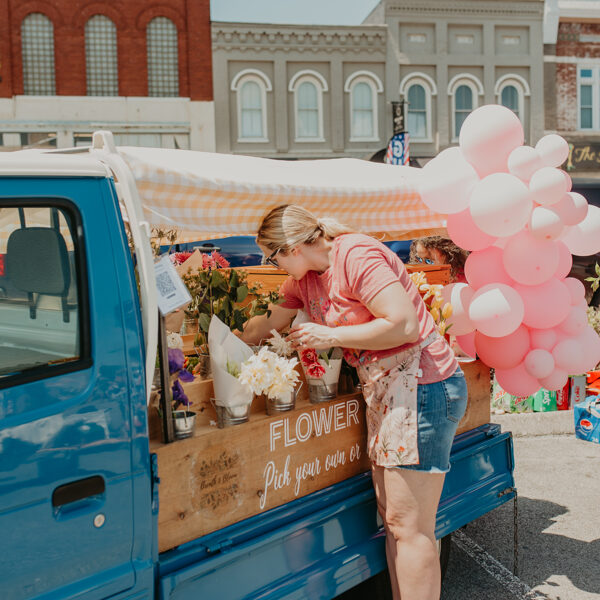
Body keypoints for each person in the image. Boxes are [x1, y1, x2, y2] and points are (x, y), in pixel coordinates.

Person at [242, 204, 467, 600]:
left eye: (272, 257)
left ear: (292, 247)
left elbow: (403, 324)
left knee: (410, 527)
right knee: (394, 521)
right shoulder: (305, 279)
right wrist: (222, 333)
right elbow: (268, 323)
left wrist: (331, 336)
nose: (272, 265)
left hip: (422, 386)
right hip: (387, 391)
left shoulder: (356, 256)